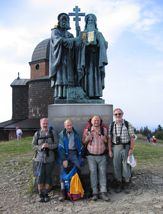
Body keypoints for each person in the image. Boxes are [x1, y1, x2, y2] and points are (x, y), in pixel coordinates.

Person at [49, 13, 80, 99]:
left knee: (69, 76)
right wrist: (73, 40)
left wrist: (77, 41)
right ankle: (60, 94)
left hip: (69, 59)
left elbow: (75, 46)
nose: (64, 22)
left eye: (66, 20)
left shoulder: (70, 35)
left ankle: (69, 94)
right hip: (60, 59)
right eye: (62, 20)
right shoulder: (55, 32)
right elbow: (57, 40)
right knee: (61, 76)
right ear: (59, 21)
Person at [77, 13, 108, 98]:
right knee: (87, 76)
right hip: (86, 58)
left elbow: (104, 44)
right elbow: (80, 46)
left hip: (96, 59)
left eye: (92, 20)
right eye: (89, 20)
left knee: (95, 76)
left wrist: (99, 43)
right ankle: (86, 94)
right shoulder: (83, 34)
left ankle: (96, 94)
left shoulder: (98, 34)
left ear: (95, 23)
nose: (91, 22)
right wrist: (87, 44)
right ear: (86, 23)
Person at [82, 115, 110, 201]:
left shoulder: (104, 130)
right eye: (94, 120)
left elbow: (107, 141)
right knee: (93, 174)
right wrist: (87, 139)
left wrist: (104, 139)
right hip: (91, 156)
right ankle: (94, 193)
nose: (96, 122)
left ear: (100, 121)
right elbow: (83, 142)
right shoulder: (87, 130)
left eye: (97, 120)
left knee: (102, 173)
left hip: (102, 156)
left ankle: (103, 192)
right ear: (91, 121)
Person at [108, 108, 135, 194]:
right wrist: (109, 150)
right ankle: (119, 183)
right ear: (114, 115)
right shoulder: (112, 125)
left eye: (119, 114)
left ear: (122, 114)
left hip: (126, 146)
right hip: (115, 147)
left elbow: (132, 137)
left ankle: (127, 183)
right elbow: (109, 138)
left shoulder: (127, 124)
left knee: (126, 165)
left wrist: (131, 148)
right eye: (116, 114)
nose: (118, 115)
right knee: (116, 166)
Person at [32, 118, 58, 202]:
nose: (45, 125)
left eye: (46, 123)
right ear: (40, 124)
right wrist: (41, 147)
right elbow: (33, 145)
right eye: (43, 123)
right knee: (40, 176)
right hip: (39, 159)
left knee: (48, 176)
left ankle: (46, 193)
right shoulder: (37, 134)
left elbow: (56, 144)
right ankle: (40, 193)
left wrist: (49, 146)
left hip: (50, 159)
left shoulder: (52, 133)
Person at [57, 119, 84, 201]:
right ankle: (62, 191)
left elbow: (81, 146)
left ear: (72, 125)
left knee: (78, 168)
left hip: (74, 153)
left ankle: (77, 190)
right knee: (62, 170)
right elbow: (60, 148)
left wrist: (81, 156)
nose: (69, 127)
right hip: (65, 153)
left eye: (70, 125)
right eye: (67, 125)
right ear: (64, 126)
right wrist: (64, 159)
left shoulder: (77, 133)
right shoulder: (61, 134)